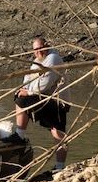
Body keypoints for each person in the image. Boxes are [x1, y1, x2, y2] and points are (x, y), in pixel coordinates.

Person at [13, 37, 70, 170]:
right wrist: (24, 89)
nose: (38, 52)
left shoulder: (53, 59)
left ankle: (19, 136)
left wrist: (27, 92)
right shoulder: (37, 62)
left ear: (47, 46)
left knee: (58, 133)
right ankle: (19, 135)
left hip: (57, 102)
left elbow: (44, 84)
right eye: (35, 50)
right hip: (45, 99)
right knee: (20, 97)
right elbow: (28, 78)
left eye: (40, 48)